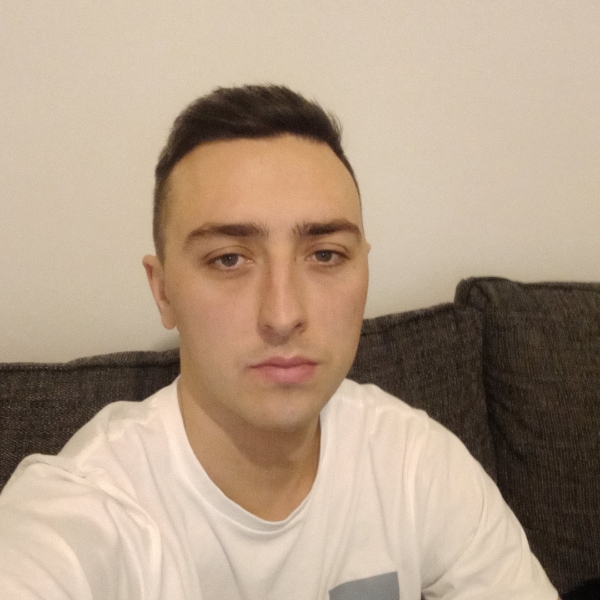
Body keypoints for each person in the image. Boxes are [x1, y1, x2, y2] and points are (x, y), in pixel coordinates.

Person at [0, 85, 560, 599]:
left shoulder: (416, 465)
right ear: (163, 290)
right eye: (229, 259)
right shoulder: (84, 510)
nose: (283, 315)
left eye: (325, 255)